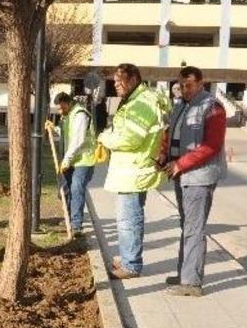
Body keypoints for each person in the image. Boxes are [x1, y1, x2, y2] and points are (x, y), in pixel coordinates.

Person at [98, 63, 168, 279]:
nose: (116, 85)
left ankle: (131, 266)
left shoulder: (141, 103)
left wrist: (104, 138)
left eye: (121, 81)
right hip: (132, 169)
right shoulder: (137, 100)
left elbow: (130, 138)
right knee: (128, 217)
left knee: (129, 219)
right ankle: (128, 257)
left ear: (134, 79)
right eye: (115, 81)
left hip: (134, 171)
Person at [162, 66, 227, 297]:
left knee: (194, 228)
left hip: (200, 177)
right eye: (182, 85)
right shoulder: (180, 105)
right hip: (182, 175)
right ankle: (184, 274)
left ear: (201, 83)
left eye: (190, 85)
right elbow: (171, 135)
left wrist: (181, 163)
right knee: (187, 227)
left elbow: (211, 146)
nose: (185, 89)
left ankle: (191, 283)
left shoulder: (213, 108)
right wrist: (165, 155)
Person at [49, 92, 97, 237]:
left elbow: (78, 140)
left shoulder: (80, 114)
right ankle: (68, 218)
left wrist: (66, 160)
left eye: (61, 108)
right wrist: (55, 128)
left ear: (68, 103)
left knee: (76, 188)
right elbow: (68, 135)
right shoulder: (68, 115)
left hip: (83, 159)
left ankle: (76, 225)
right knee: (66, 189)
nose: (59, 111)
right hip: (71, 159)